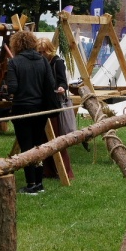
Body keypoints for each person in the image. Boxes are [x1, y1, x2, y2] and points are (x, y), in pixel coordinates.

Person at [4, 31, 59, 194]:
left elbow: (13, 88)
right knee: (37, 145)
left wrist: (8, 89)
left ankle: (31, 184)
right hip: (40, 109)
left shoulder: (15, 62)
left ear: (16, 45)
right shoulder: (42, 60)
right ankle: (39, 183)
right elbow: (50, 83)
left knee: (26, 147)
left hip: (22, 109)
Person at [36, 38, 74, 181]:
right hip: (43, 103)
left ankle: (64, 171)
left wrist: (61, 87)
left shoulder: (57, 62)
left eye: (43, 52)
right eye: (39, 52)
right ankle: (49, 170)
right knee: (44, 140)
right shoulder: (40, 62)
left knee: (57, 139)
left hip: (54, 104)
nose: (41, 54)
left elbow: (63, 81)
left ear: (49, 50)